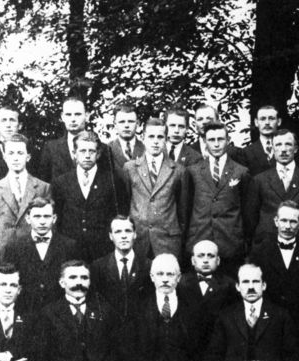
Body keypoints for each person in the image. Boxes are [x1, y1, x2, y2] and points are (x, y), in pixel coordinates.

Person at [249, 201, 299, 336]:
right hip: (268, 320)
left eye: (293, 222)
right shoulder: (260, 251)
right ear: (276, 221)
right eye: (284, 220)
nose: (287, 226)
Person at [186, 121, 250, 272]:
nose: (216, 144)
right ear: (204, 141)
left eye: (220, 139)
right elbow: (186, 208)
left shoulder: (241, 171)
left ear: (228, 140)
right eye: (211, 140)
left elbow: (247, 211)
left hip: (230, 244)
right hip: (200, 241)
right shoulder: (193, 171)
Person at [52, 131, 126, 262]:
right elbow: (57, 218)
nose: (87, 156)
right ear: (74, 153)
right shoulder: (61, 182)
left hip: (103, 251)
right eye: (82, 151)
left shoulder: (113, 181)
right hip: (70, 251)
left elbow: (120, 215)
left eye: (91, 151)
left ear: (98, 154)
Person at [204, 263, 298, 361]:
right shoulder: (225, 316)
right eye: (245, 282)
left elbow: (292, 355)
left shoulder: (280, 315)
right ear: (237, 286)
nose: (251, 287)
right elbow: (214, 356)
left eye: (256, 281)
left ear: (264, 285)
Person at [123, 118, 189, 258]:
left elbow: (183, 211)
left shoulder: (178, 170)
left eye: (160, 137)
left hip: (167, 240)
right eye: (151, 136)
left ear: (166, 139)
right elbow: (125, 202)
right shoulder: (130, 168)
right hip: (139, 238)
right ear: (143, 138)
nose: (155, 141)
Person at [2, 196, 80, 314]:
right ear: (28, 219)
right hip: (26, 312)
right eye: (37, 216)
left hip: (60, 313)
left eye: (47, 216)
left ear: (54, 218)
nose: (42, 221)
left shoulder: (69, 246)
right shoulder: (14, 247)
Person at [245, 129, 299, 247]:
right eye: (278, 145)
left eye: (288, 144)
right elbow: (251, 220)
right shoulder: (259, 180)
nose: (283, 149)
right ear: (272, 149)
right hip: (267, 245)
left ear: (295, 149)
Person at [0, 134, 51, 254]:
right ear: (4, 157)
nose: (15, 158)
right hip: (2, 251)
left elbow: (49, 224)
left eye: (20, 153)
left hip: (32, 250)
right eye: (11, 153)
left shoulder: (43, 187)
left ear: (28, 157)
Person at [90, 215, 152, 327]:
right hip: (109, 328)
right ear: (111, 236)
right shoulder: (98, 266)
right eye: (118, 232)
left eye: (128, 231)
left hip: (140, 328)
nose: (123, 236)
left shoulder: (148, 265)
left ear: (135, 234)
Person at [177, 240, 237, 350]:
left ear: (218, 260)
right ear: (193, 260)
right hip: (188, 345)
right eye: (200, 256)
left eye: (210, 256)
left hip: (218, 345)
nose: (205, 260)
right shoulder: (181, 283)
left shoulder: (229, 285)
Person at [39, 97, 111, 182]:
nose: (73, 119)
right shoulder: (51, 148)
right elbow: (44, 183)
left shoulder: (103, 149)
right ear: (62, 117)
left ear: (87, 116)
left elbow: (108, 182)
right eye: (68, 115)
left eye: (77, 114)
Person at [242, 105, 282, 176]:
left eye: (271, 118)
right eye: (263, 119)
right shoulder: (246, 153)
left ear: (279, 121)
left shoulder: (288, 149)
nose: (267, 122)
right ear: (256, 122)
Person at [108, 104, 145, 172]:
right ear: (115, 124)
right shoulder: (107, 150)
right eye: (122, 122)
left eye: (131, 121)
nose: (126, 125)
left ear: (137, 123)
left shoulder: (146, 149)